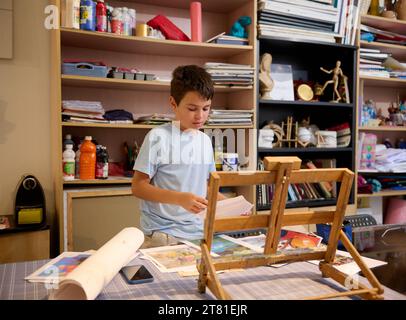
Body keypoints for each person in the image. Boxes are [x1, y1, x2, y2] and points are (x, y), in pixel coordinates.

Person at [132, 65, 226, 248]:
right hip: (162, 234)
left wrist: (232, 206)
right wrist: (180, 199)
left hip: (198, 232)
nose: (200, 116)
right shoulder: (158, 137)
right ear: (173, 103)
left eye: (206, 108)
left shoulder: (205, 141)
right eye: (192, 108)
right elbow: (138, 187)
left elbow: (205, 187)